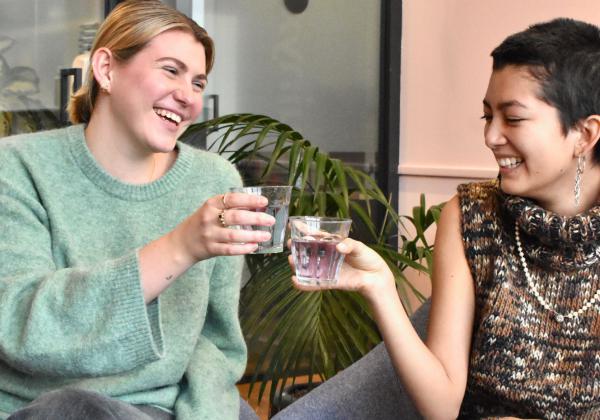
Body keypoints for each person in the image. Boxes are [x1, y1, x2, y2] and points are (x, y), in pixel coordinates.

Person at [275, 17, 600, 419]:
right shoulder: (471, 216)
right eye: (487, 117)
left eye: (513, 118)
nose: (491, 137)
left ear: (585, 135)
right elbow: (441, 406)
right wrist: (380, 288)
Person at [0, 1, 273, 419]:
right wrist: (181, 247)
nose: (187, 97)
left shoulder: (215, 181)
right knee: (72, 408)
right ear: (106, 69)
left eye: (198, 83)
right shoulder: (17, 167)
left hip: (165, 410)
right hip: (43, 409)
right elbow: (19, 327)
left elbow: (215, 347)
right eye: (170, 70)